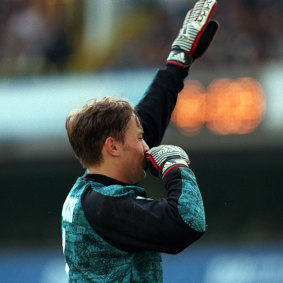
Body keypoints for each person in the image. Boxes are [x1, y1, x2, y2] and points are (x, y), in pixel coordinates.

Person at [62, 0, 219, 282]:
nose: (146, 145)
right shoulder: (108, 207)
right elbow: (187, 222)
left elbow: (143, 122)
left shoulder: (90, 188)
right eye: (139, 138)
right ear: (112, 146)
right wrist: (175, 166)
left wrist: (178, 62)